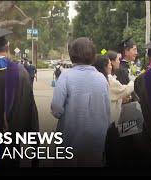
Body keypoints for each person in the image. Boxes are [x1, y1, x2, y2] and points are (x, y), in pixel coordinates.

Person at [51, 37, 110, 167]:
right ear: (93, 55)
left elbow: (56, 109)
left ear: (72, 55)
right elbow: (107, 111)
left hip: (70, 138)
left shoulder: (65, 76)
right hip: (96, 141)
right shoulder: (102, 79)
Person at [0, 28, 39, 167]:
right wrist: (34, 145)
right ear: (7, 48)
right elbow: (30, 108)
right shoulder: (21, 72)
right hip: (12, 139)